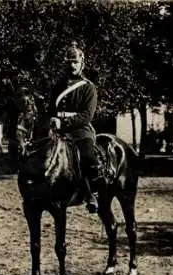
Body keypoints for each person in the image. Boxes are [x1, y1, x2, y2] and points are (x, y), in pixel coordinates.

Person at [48, 41, 102, 214]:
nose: (72, 65)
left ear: (82, 63)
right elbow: (50, 109)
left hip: (80, 131)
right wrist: (52, 119)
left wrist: (63, 122)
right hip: (57, 131)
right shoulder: (58, 86)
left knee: (87, 156)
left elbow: (87, 116)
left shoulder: (88, 87)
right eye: (69, 62)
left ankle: (92, 194)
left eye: (75, 62)